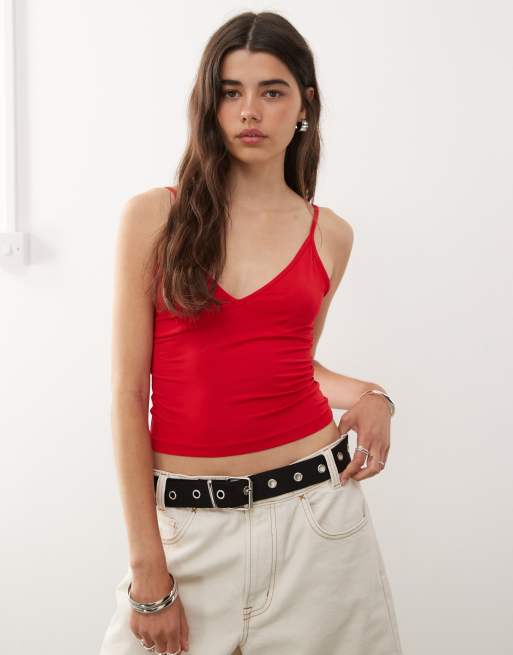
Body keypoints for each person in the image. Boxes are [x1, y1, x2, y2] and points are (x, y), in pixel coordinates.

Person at [99, 10, 403, 655]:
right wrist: (148, 570)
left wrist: (372, 395)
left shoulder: (330, 234)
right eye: (231, 92)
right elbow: (127, 395)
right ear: (208, 105)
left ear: (305, 105)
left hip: (317, 522)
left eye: (272, 91)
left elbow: (289, 362)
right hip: (186, 531)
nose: (249, 111)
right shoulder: (154, 218)